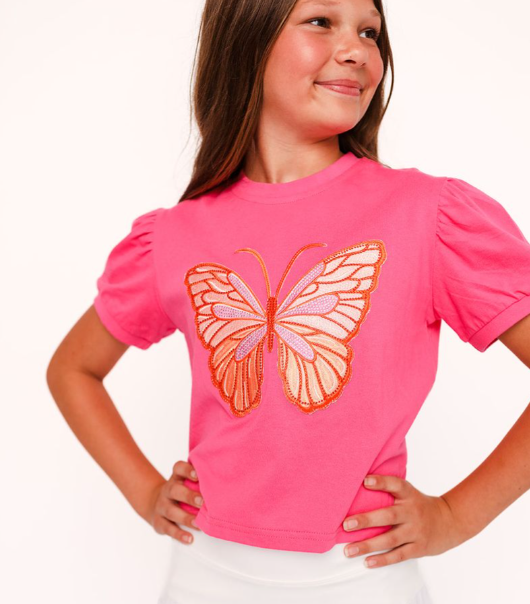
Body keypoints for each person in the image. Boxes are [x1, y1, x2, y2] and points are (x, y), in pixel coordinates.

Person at [46, 0, 530, 603]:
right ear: (246, 39)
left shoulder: (426, 214)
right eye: (321, 21)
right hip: (203, 576)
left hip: (363, 579)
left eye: (370, 32)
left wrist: (457, 516)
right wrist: (146, 493)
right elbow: (73, 370)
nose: (357, 50)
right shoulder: (174, 236)